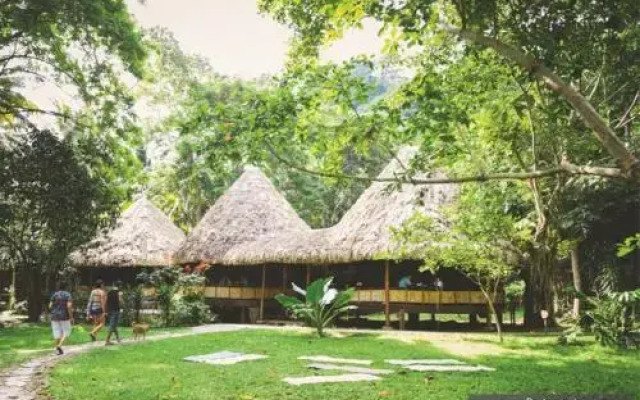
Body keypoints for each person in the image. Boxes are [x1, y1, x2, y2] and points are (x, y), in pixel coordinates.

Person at [49, 282, 73, 355]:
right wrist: (71, 317)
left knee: (56, 332)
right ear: (66, 287)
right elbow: (69, 306)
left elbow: (50, 306)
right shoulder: (67, 295)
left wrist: (55, 310)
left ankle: (57, 349)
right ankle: (59, 345)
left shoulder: (54, 294)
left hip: (54, 316)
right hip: (64, 316)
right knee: (66, 331)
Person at [105, 280, 123, 346]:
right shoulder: (119, 292)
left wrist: (105, 310)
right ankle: (107, 341)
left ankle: (118, 338)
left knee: (114, 325)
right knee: (112, 325)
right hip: (116, 310)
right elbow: (120, 301)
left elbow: (106, 301)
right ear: (120, 286)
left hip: (109, 310)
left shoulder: (109, 292)